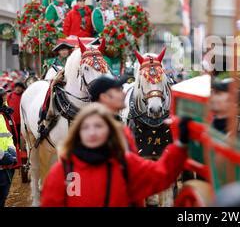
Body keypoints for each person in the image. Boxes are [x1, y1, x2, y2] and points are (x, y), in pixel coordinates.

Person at [40, 103, 191, 207]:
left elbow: (161, 175)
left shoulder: (126, 164)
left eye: (98, 126)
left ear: (110, 130)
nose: (92, 132)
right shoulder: (63, 171)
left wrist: (180, 144)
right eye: (85, 127)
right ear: (78, 132)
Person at [88, 75, 138, 154]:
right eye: (118, 90)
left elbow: (133, 162)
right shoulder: (94, 130)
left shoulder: (116, 126)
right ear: (104, 97)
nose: (124, 94)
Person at [0, 88, 17, 207]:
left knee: (3, 195)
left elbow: (7, 135)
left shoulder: (2, 116)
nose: (5, 96)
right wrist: (3, 155)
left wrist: (12, 150)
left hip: (6, 163)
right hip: (3, 160)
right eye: (3, 95)